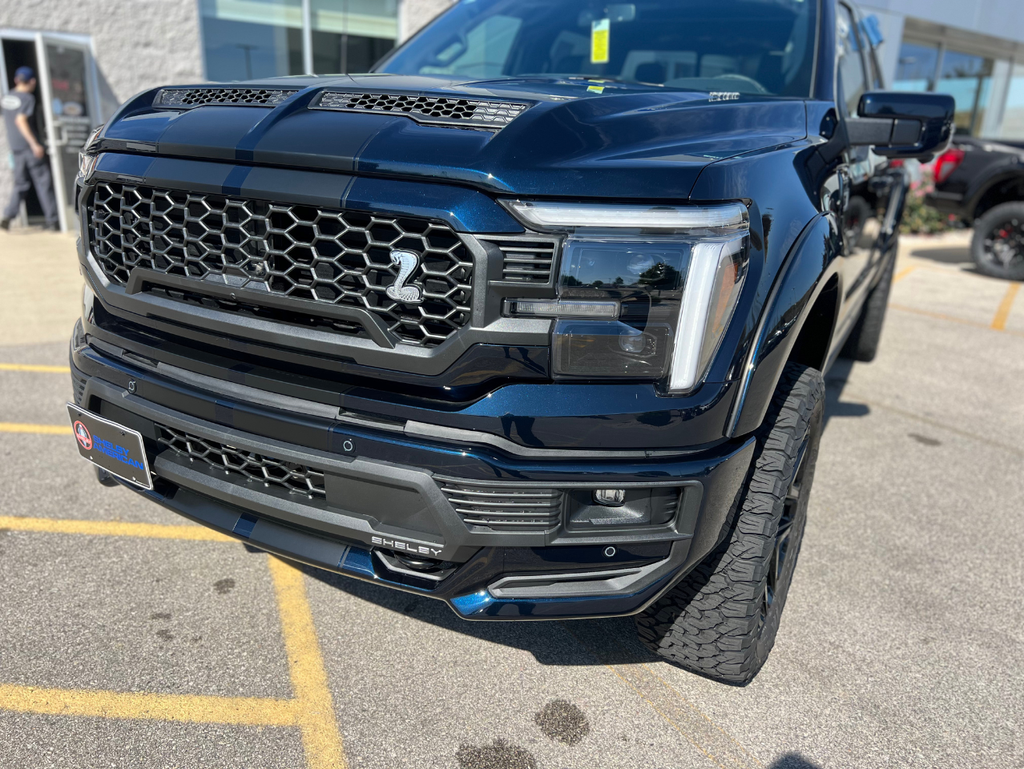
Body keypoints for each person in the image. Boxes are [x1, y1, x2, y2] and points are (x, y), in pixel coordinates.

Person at [1, 66, 59, 231]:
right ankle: (53, 220)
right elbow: (21, 120)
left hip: (16, 148)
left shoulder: (6, 98)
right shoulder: (27, 98)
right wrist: (35, 144)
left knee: (20, 184)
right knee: (43, 182)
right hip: (29, 148)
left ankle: (8, 216)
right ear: (32, 81)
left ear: (16, 80)